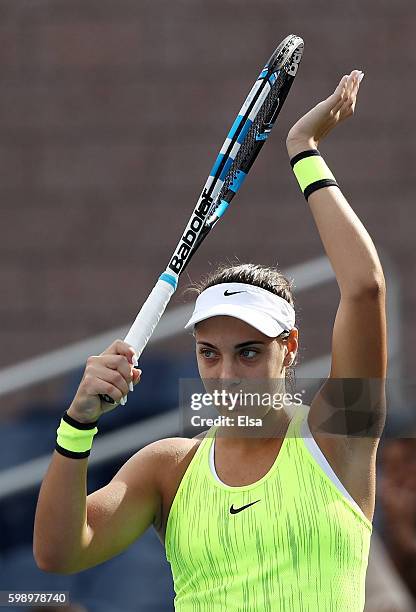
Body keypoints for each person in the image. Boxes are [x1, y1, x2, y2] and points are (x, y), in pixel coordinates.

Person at [34, 69, 387, 611]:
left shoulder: (338, 436)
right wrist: (78, 424)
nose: (225, 376)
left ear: (289, 347)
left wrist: (303, 150)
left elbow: (364, 289)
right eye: (209, 353)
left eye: (249, 352)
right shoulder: (166, 469)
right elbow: (59, 554)